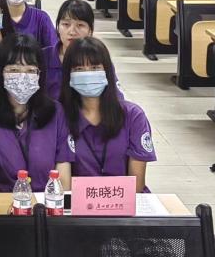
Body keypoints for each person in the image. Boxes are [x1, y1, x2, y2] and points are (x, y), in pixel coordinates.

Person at [0, 34, 75, 192]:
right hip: (5, 204)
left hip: (47, 203)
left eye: (31, 70)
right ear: (0, 73)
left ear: (40, 74)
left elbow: (64, 181)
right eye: (14, 70)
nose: (23, 77)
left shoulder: (56, 112)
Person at [61, 38, 155, 192]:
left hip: (126, 200)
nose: (87, 75)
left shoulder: (133, 116)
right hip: (79, 202)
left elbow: (136, 186)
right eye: (79, 69)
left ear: (107, 71)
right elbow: (62, 184)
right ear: (68, 75)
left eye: (95, 67)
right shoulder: (60, 117)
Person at [42, 0, 97, 99]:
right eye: (66, 24)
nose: (72, 32)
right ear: (58, 27)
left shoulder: (99, 59)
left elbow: (116, 98)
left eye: (80, 25)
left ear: (90, 30)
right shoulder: (42, 57)